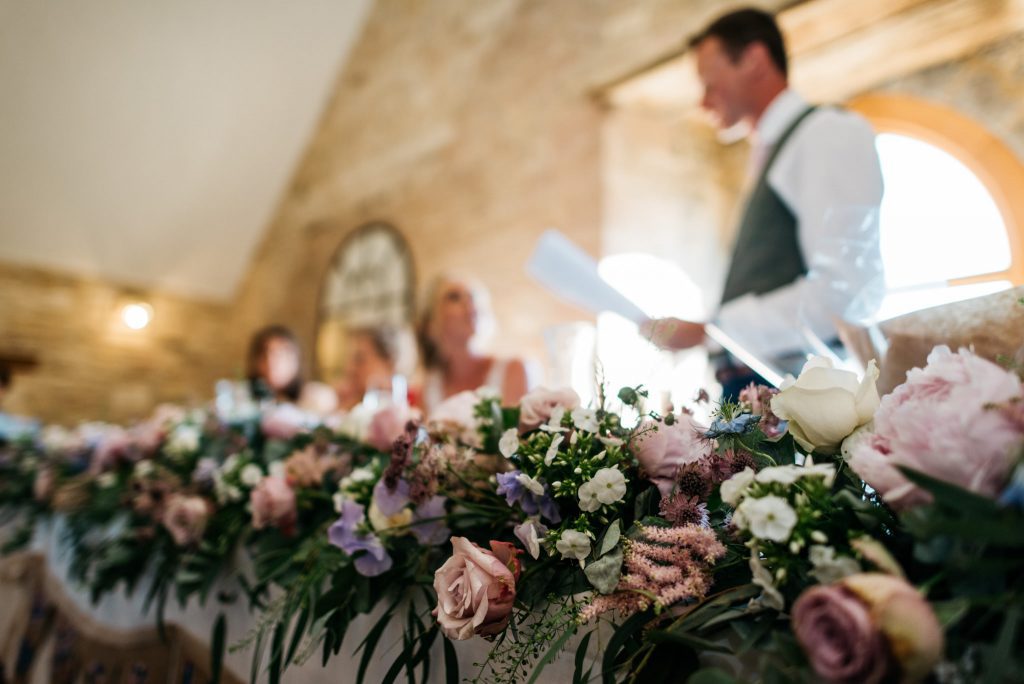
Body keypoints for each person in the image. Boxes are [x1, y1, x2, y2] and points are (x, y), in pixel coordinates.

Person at [642, 7, 884, 397]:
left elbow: (845, 296)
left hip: (801, 412)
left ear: (754, 60)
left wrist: (712, 331)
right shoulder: (773, 153)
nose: (703, 103)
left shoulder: (827, 134)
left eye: (709, 84)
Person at [416, 274, 529, 414]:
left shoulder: (514, 370)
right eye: (454, 297)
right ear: (430, 322)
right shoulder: (429, 389)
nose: (469, 303)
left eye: (473, 296)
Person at [246, 325, 337, 415]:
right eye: (265, 355)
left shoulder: (317, 397)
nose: (272, 362)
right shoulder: (245, 398)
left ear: (296, 358)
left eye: (281, 354)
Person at [334, 326, 415, 410]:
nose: (349, 368)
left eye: (359, 359)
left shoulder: (412, 408)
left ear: (389, 362)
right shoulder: (342, 402)